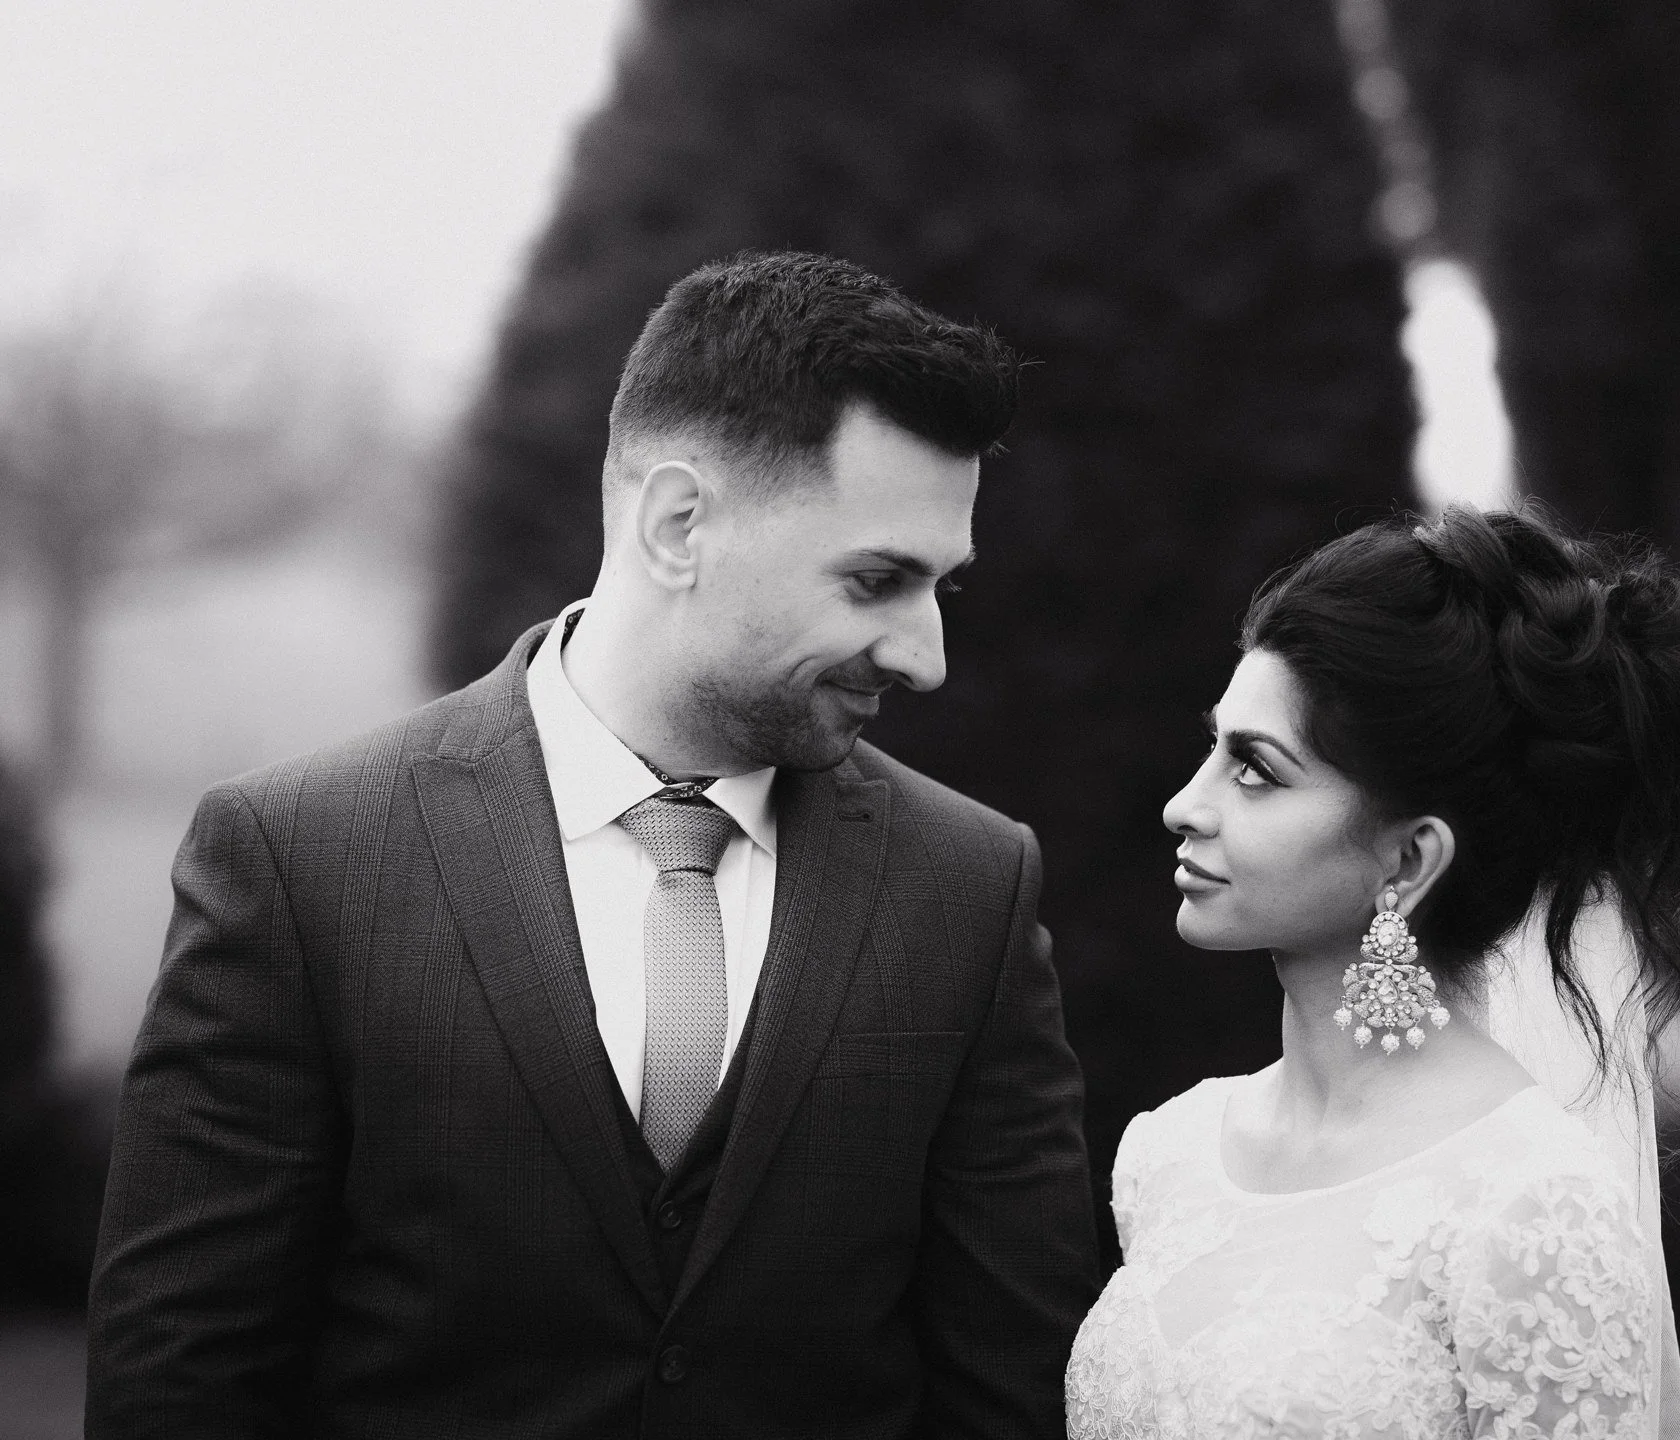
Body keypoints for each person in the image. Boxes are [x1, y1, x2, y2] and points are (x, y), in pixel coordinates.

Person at [87, 252, 1099, 1439]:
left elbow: (1011, 1389)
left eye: (942, 590)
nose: (924, 654)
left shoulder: (969, 889)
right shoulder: (299, 861)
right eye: (878, 579)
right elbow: (181, 1385)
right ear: (679, 524)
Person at [1066, 507, 1680, 1440]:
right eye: (1211, 746)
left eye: (1255, 769)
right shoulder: (1169, 1155)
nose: (1183, 806)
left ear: (1409, 862)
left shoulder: (1531, 1203)